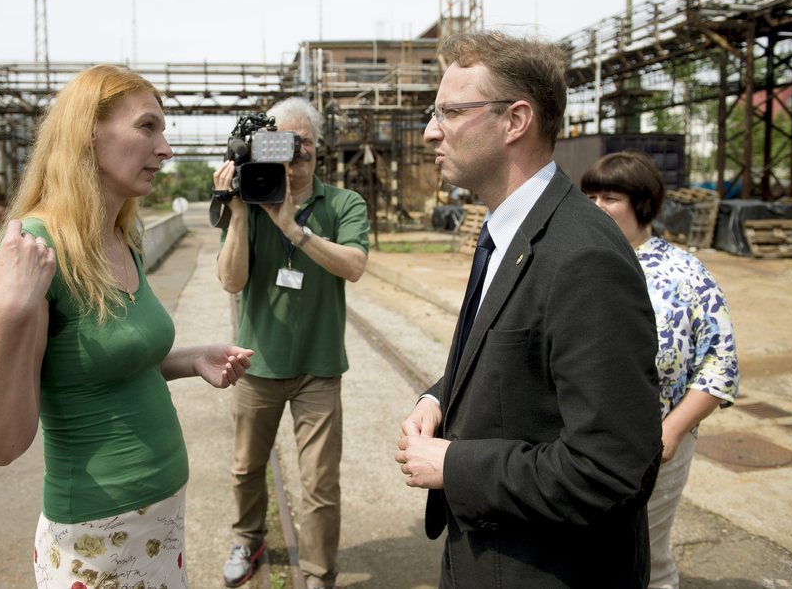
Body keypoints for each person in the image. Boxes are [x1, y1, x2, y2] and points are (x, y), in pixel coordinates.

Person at [0, 64, 253, 589]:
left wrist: (192, 359)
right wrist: (8, 313)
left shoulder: (123, 236)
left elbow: (99, 361)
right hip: (96, 537)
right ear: (87, 134)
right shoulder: (36, 250)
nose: (166, 150)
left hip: (160, 516)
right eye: (148, 127)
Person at [393, 31, 663, 588]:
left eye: (451, 111)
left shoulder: (583, 256)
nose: (430, 130)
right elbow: (510, 349)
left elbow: (611, 470)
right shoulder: (508, 231)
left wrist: (454, 466)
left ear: (515, 121)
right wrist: (439, 397)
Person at [213, 97, 370, 589]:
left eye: (304, 141)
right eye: (283, 142)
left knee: (320, 484)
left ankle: (320, 572)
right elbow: (231, 282)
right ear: (266, 146)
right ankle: (247, 537)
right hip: (256, 365)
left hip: (319, 368)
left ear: (318, 147)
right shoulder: (252, 202)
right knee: (245, 468)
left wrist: (294, 229)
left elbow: (354, 265)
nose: (297, 151)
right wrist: (240, 215)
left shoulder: (344, 203)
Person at [581, 151, 739, 589]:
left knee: (645, 554)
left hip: (655, 447)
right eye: (588, 196)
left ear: (642, 204)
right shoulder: (575, 263)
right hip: (576, 445)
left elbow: (719, 363)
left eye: (609, 197)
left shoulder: (685, 273)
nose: (595, 208)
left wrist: (671, 432)